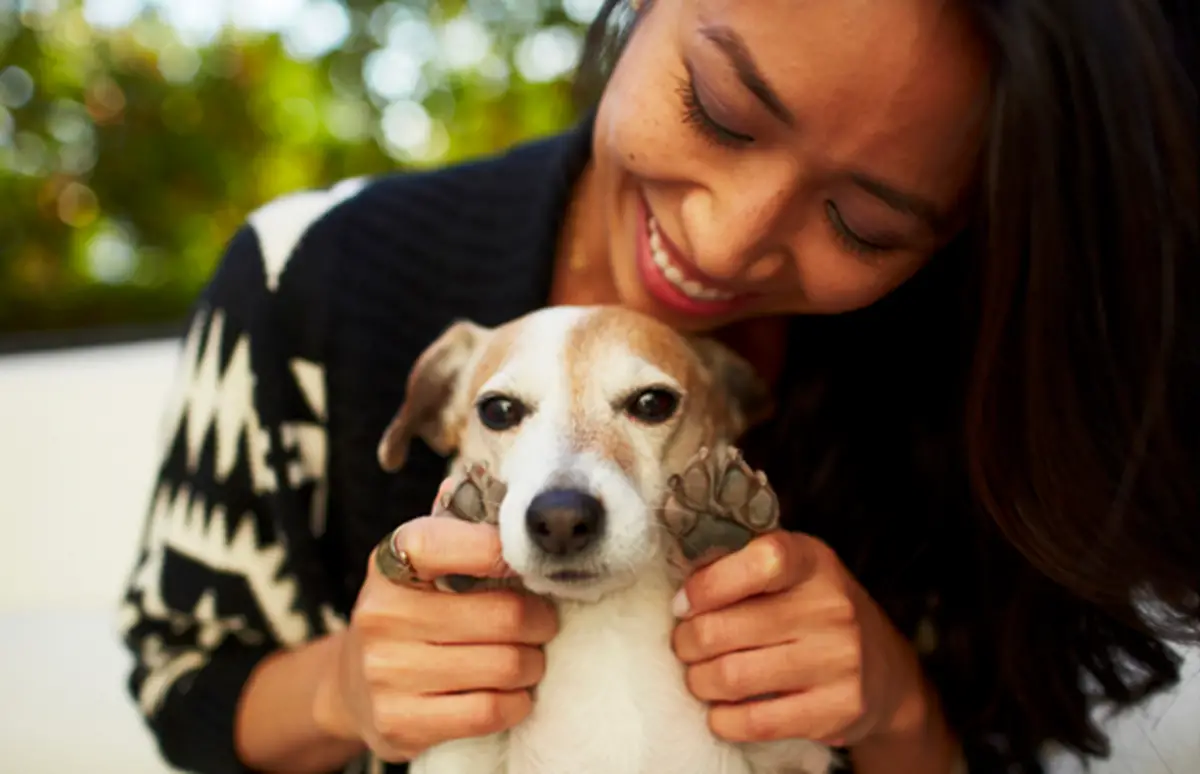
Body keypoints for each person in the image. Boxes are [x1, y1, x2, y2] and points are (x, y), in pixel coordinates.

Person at [117, 0, 1199, 772]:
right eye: (724, 108)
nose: (723, 247)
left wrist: (894, 709)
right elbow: (184, 688)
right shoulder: (301, 274)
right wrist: (345, 688)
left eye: (863, 223)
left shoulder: (993, 381)